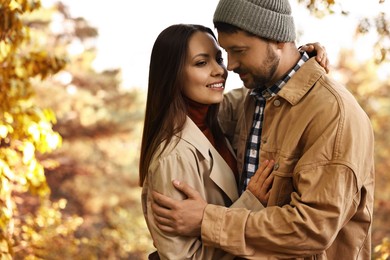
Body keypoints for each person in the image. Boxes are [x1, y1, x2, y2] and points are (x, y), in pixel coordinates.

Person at [151, 0, 375, 259]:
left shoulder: (333, 113)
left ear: (278, 39)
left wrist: (207, 220)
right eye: (226, 52)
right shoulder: (253, 99)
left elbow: (311, 229)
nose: (230, 66)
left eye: (239, 51)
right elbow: (188, 107)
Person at [140, 23, 328, 259]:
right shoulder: (173, 157)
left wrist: (299, 58)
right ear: (172, 74)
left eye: (218, 58)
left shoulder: (217, 118)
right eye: (201, 62)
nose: (221, 69)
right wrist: (250, 202)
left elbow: (270, 89)